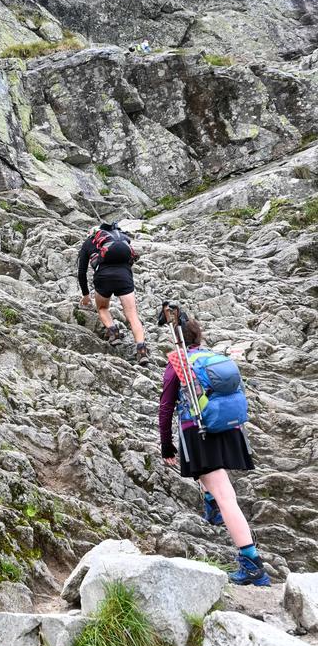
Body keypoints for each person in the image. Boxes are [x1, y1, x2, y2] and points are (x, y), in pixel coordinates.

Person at [159, 317, 271, 586]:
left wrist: (166, 444)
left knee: (225, 495)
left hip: (199, 431)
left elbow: (166, 407)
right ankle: (211, 505)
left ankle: (252, 564)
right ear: (200, 336)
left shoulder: (179, 363)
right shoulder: (212, 358)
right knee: (218, 486)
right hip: (228, 428)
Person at [78, 221, 149, 364]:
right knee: (132, 315)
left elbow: (81, 272)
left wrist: (86, 295)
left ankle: (113, 331)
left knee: (103, 308)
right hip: (124, 277)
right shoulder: (121, 238)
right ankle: (141, 350)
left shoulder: (88, 243)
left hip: (103, 278)